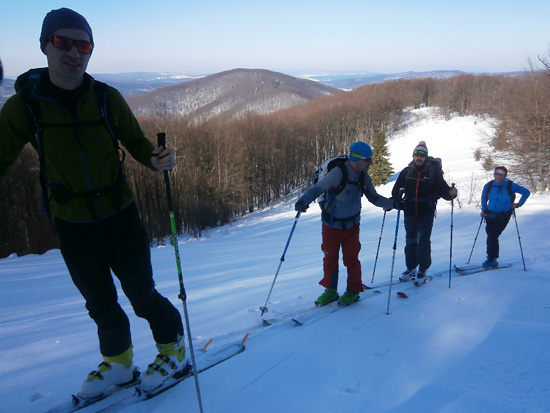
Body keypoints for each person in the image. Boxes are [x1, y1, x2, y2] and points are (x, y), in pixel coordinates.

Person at [0, 8, 185, 398]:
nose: (73, 52)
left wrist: (155, 159)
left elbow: (136, 143)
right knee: (99, 300)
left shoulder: (105, 97)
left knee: (141, 293)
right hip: (71, 221)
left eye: (83, 45)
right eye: (62, 42)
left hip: (120, 215)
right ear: (45, 45)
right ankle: (118, 363)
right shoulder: (24, 106)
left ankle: (174, 349)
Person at [295, 141, 395, 306]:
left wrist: (395, 204)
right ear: (356, 159)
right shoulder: (338, 172)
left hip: (352, 225)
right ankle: (331, 291)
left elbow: (374, 198)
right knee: (330, 258)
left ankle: (353, 292)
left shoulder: (363, 175)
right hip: (331, 225)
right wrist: (303, 201)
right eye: (367, 159)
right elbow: (318, 188)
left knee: (352, 259)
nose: (370, 163)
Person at [391, 141, 457, 285]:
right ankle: (411, 267)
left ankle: (423, 268)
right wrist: (392, 202)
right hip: (409, 211)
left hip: (426, 212)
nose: (419, 158)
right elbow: (396, 190)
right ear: (413, 156)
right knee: (410, 240)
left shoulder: (433, 172)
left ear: (426, 157)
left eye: (422, 155)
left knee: (423, 242)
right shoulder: (407, 171)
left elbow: (443, 190)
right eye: (417, 155)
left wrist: (451, 194)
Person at [480, 166, 530, 268]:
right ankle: (491, 258)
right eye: (497, 174)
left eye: (502, 175)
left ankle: (492, 259)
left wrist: (518, 204)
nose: (499, 177)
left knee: (492, 236)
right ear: (494, 174)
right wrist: (483, 210)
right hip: (490, 214)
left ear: (505, 176)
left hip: (504, 215)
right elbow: (484, 197)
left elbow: (526, 192)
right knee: (490, 236)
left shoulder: (510, 185)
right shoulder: (489, 185)